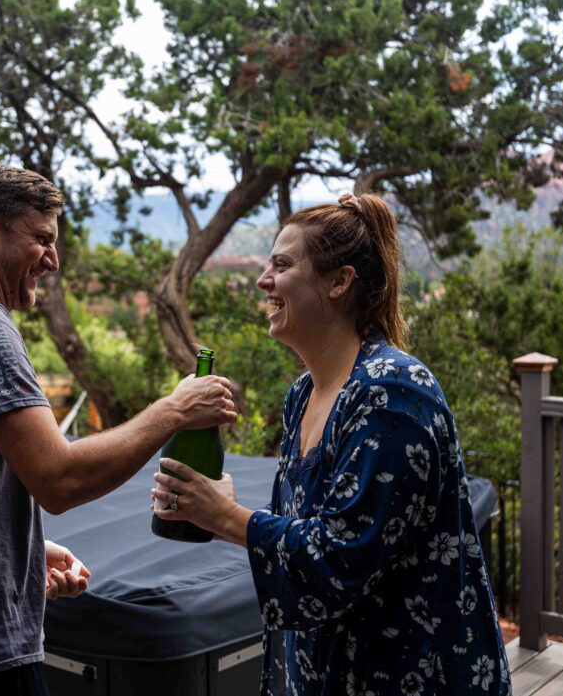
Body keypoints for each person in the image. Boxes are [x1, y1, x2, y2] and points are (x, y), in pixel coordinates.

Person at [0, 163, 236, 694]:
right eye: (42, 238)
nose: (53, 259)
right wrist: (174, 411)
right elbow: (58, 481)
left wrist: (16, 553)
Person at [152, 193, 509, 695]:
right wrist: (215, 508)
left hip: (409, 674)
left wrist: (226, 518)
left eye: (281, 264)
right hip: (330, 671)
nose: (263, 280)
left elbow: (343, 557)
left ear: (340, 281)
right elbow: (301, 534)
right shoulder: (303, 394)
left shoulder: (391, 391)